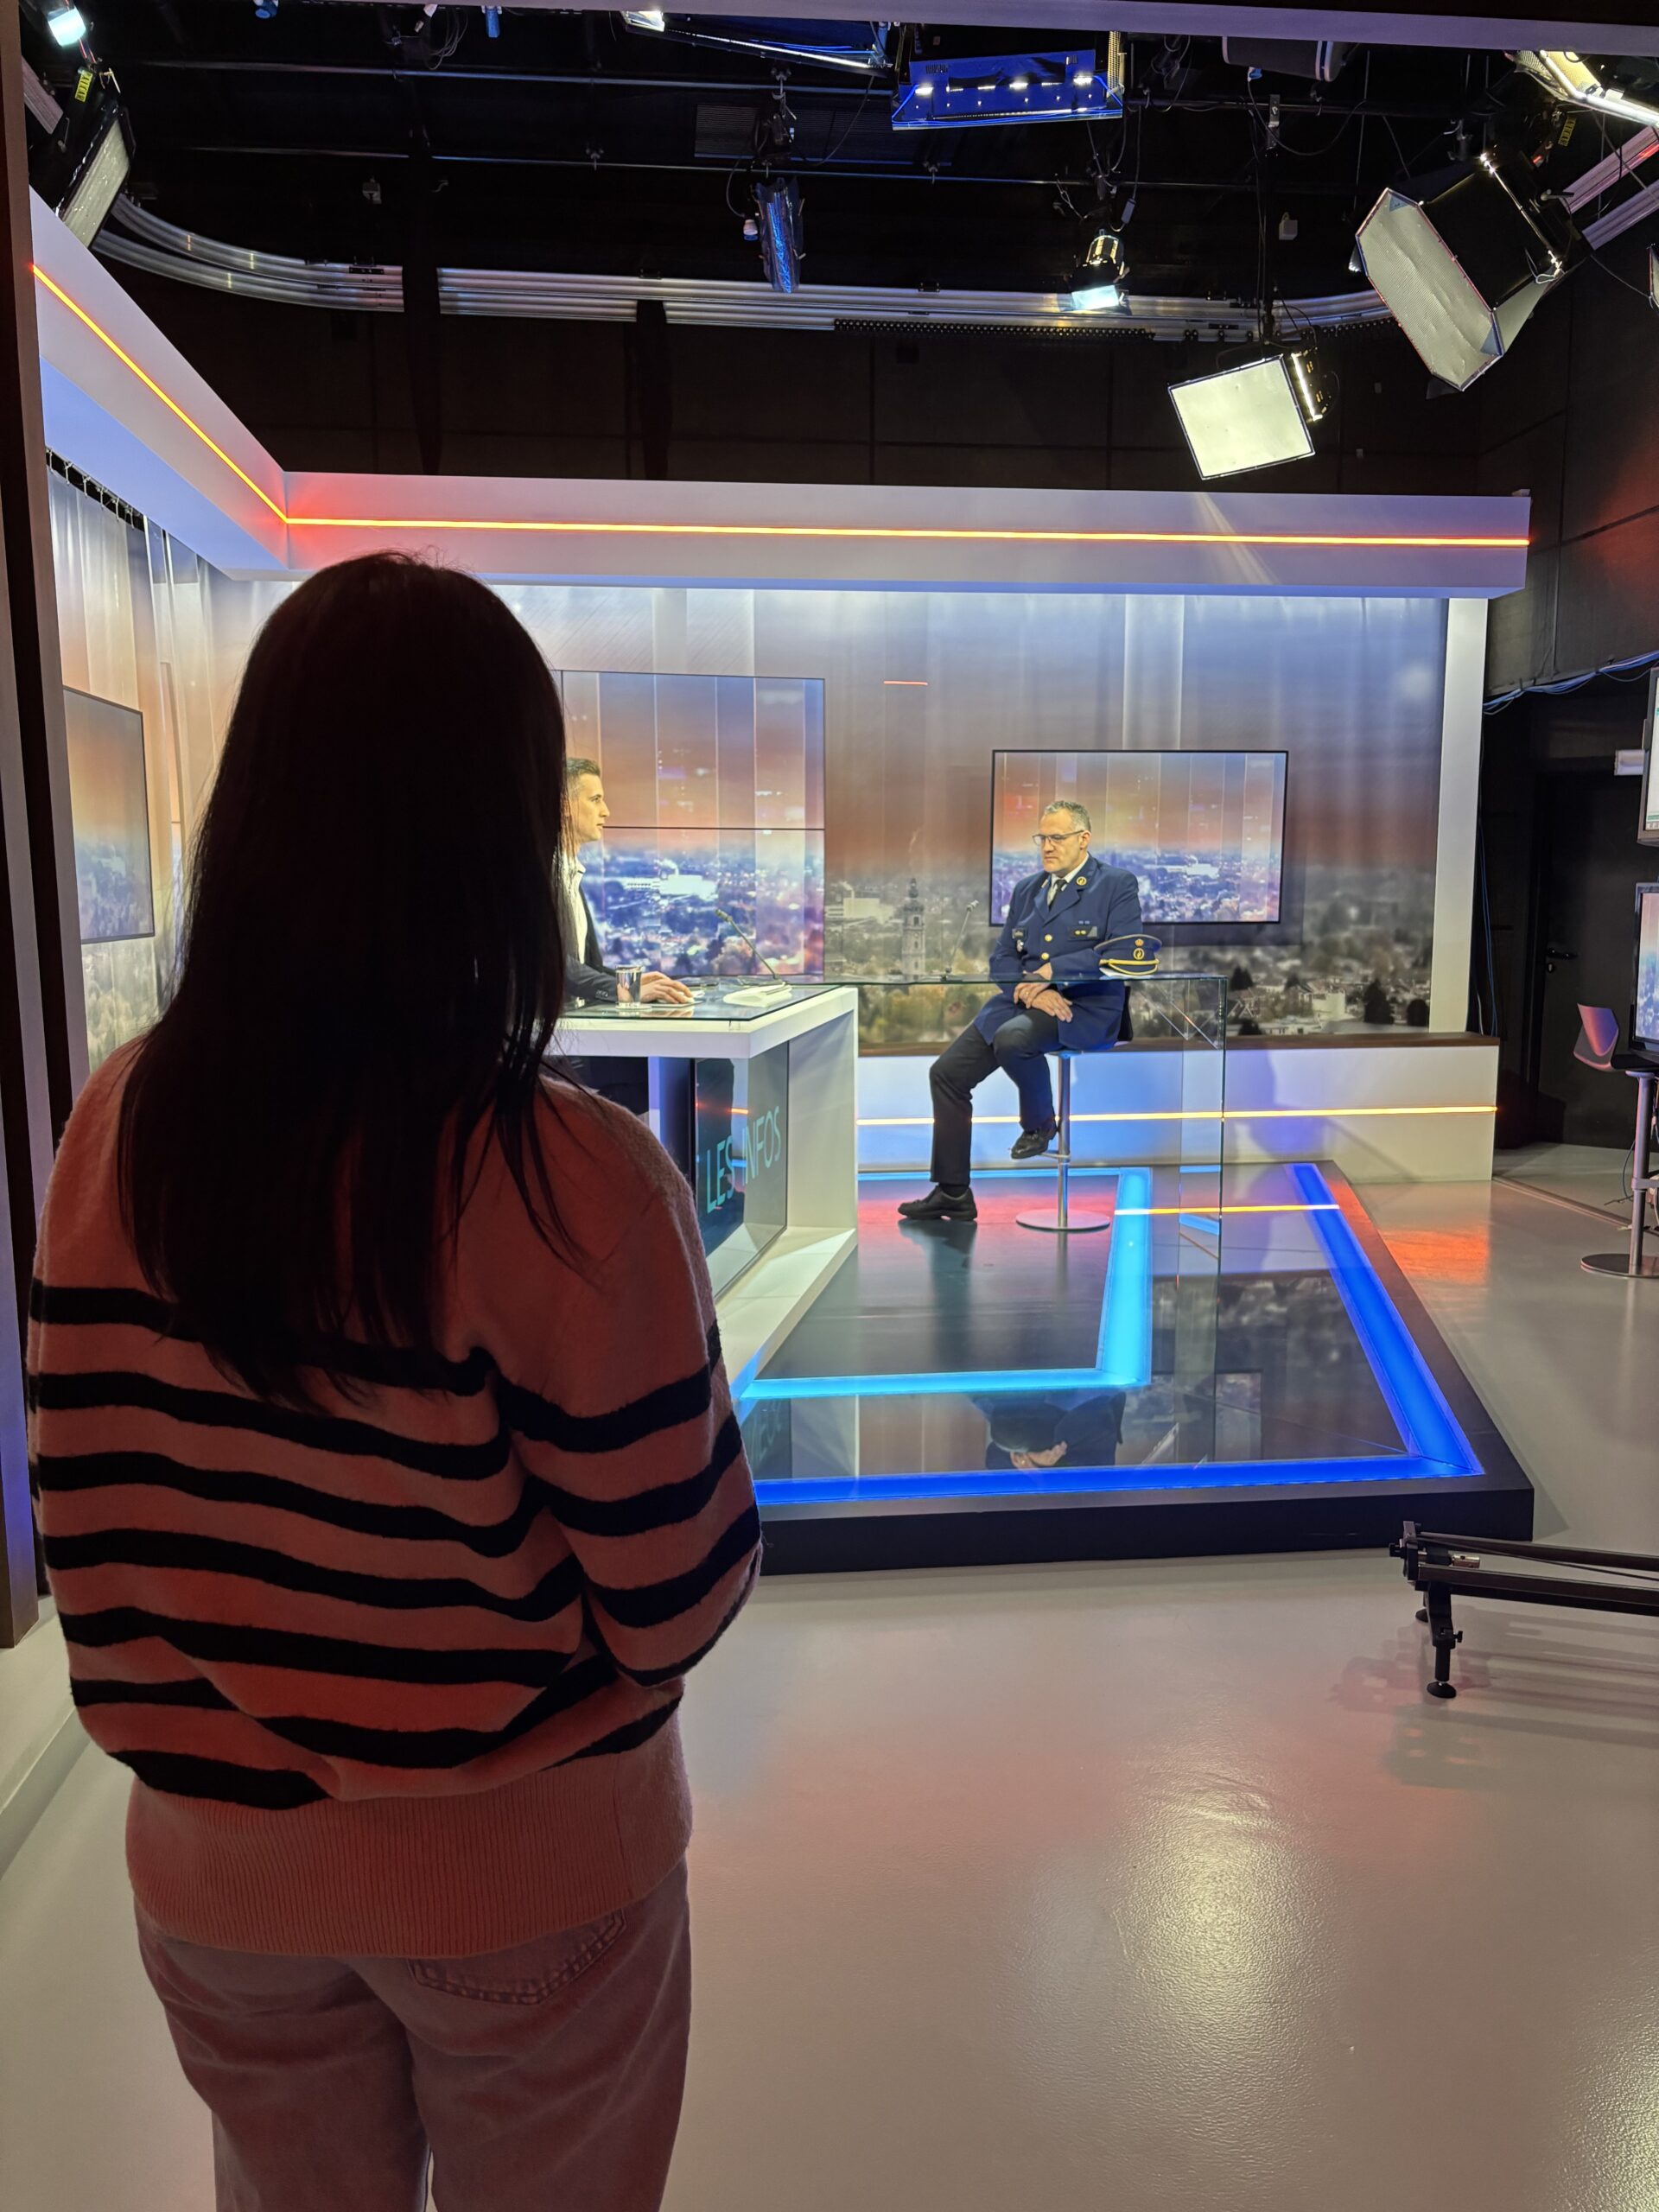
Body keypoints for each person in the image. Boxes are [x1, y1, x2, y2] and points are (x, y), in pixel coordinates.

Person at [28, 552, 760, 2212]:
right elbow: (677, 1595)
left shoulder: (117, 1124)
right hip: (527, 1876)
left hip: (219, 1876)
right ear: (500, 836)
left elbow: (96, 1514)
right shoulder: (571, 1178)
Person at [899, 801, 1141, 1222]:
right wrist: (1029, 992)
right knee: (946, 1074)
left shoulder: (1116, 884)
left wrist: (1051, 973)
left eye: (1057, 838)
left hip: (1083, 1005)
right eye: (1042, 838)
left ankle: (1040, 1124)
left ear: (1084, 839)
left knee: (1014, 1039)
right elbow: (1002, 959)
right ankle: (953, 1192)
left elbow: (1124, 952)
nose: (1047, 846)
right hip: (1026, 1001)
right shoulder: (1028, 889)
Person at [561, 755, 692, 1115]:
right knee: (675, 1072)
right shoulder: (541, 874)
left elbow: (584, 965)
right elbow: (552, 965)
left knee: (690, 1065)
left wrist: (631, 981)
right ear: (563, 806)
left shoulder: (570, 873)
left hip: (581, 1032)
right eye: (595, 799)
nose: (606, 811)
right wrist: (626, 991)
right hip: (555, 1042)